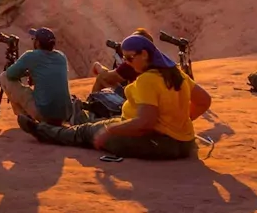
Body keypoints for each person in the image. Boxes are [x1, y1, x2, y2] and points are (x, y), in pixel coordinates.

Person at [20, 35, 211, 161]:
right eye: (124, 58)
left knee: (86, 132)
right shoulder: (174, 72)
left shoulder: (148, 79)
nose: (127, 63)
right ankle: (56, 125)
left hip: (158, 144)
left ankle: (42, 130)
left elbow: (146, 122)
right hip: (184, 144)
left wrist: (110, 131)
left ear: (144, 54)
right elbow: (204, 100)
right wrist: (178, 122)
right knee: (97, 122)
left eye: (130, 58)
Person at [0, 28, 71, 125]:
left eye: (34, 39)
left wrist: (25, 71)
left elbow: (10, 74)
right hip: (64, 114)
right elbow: (47, 72)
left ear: (37, 43)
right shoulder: (61, 57)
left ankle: (25, 118)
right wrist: (32, 72)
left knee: (3, 76)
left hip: (44, 114)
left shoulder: (31, 56)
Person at [90, 28, 154, 93]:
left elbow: (107, 77)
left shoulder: (133, 62)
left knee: (100, 78)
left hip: (136, 98)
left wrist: (98, 67)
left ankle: (90, 101)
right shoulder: (156, 61)